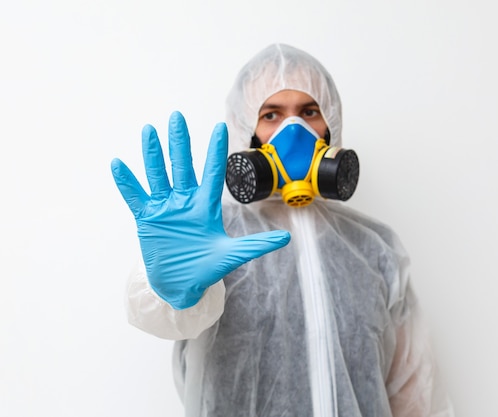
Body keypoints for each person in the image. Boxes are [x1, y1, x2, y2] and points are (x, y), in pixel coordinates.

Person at [111, 43, 454, 417]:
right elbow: (161, 318)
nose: (295, 131)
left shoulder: (376, 248)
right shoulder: (214, 239)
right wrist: (169, 287)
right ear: (248, 129)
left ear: (331, 126)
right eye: (272, 114)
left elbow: (413, 389)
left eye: (309, 112)